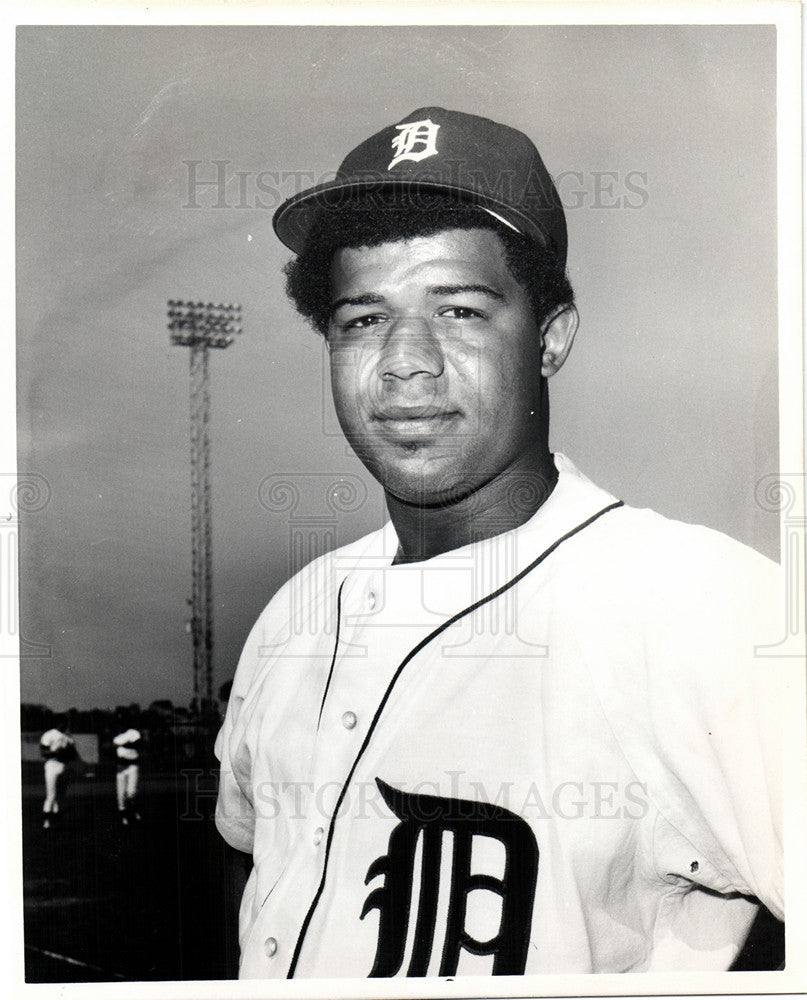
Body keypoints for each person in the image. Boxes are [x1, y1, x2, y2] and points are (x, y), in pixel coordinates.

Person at [215, 108, 784, 979]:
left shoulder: (699, 608)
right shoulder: (294, 614)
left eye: (459, 310)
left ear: (550, 336)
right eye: (363, 319)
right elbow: (257, 870)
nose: (407, 360)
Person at [40, 721, 77, 830]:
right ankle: (46, 822)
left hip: (63, 766)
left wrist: (67, 752)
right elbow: (43, 752)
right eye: (63, 723)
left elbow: (72, 753)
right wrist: (57, 753)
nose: (64, 726)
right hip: (52, 765)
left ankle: (56, 820)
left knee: (60, 796)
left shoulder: (67, 737)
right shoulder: (49, 734)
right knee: (51, 795)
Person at [113, 727, 142, 824]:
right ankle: (123, 815)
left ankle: (134, 810)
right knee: (121, 794)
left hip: (132, 766)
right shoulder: (118, 737)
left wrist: (124, 743)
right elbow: (113, 745)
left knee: (131, 792)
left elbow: (138, 743)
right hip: (121, 767)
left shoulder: (134, 732)